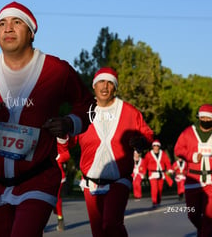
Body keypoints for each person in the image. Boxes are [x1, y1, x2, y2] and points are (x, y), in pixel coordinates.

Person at [0, 1, 95, 237]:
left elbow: (88, 105)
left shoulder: (56, 70)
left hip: (39, 179)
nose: (8, 28)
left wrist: (70, 122)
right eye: (2, 24)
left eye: (16, 22)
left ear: (31, 33)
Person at [66, 67, 154, 237]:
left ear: (115, 87)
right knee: (98, 232)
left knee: (111, 224)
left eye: (110, 83)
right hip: (90, 182)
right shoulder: (83, 112)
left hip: (119, 179)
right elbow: (68, 139)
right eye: (101, 82)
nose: (105, 86)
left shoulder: (130, 112)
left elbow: (147, 134)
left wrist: (142, 142)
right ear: (94, 86)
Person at [174, 104, 212, 237]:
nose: (206, 120)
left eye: (208, 118)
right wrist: (191, 156)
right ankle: (203, 230)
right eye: (203, 118)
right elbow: (178, 149)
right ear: (198, 117)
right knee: (192, 214)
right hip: (193, 179)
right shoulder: (188, 132)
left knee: (209, 215)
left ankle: (205, 232)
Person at [142, 139, 173, 208]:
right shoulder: (148, 154)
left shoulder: (163, 154)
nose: (156, 147)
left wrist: (169, 169)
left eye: (157, 146)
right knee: (154, 188)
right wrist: (143, 172)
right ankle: (154, 202)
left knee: (159, 189)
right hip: (152, 173)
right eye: (154, 146)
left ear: (159, 147)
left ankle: (158, 201)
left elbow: (167, 162)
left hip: (161, 173)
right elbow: (144, 164)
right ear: (152, 146)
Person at [53, 137, 71, 231]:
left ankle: (60, 219)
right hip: (40, 175)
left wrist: (57, 158)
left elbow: (67, 155)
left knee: (56, 198)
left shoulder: (60, 136)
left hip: (57, 175)